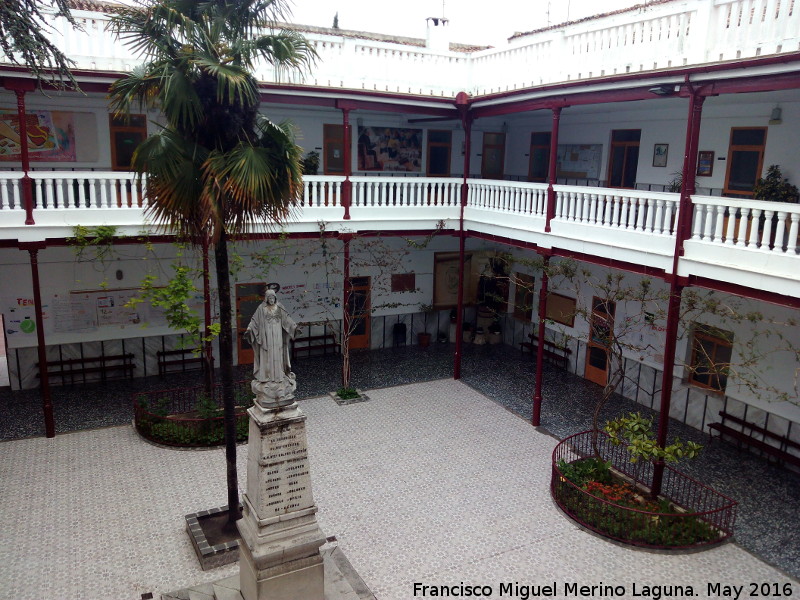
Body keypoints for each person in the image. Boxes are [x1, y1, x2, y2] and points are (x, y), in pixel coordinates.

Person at [244, 289, 297, 383]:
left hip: (277, 334)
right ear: (266, 299)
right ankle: (267, 375)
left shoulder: (279, 307)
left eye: (273, 297)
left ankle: (279, 375)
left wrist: (293, 326)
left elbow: (287, 319)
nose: (271, 299)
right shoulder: (261, 308)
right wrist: (249, 328)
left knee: (278, 352)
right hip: (266, 334)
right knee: (268, 353)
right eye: (269, 298)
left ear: (275, 298)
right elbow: (254, 321)